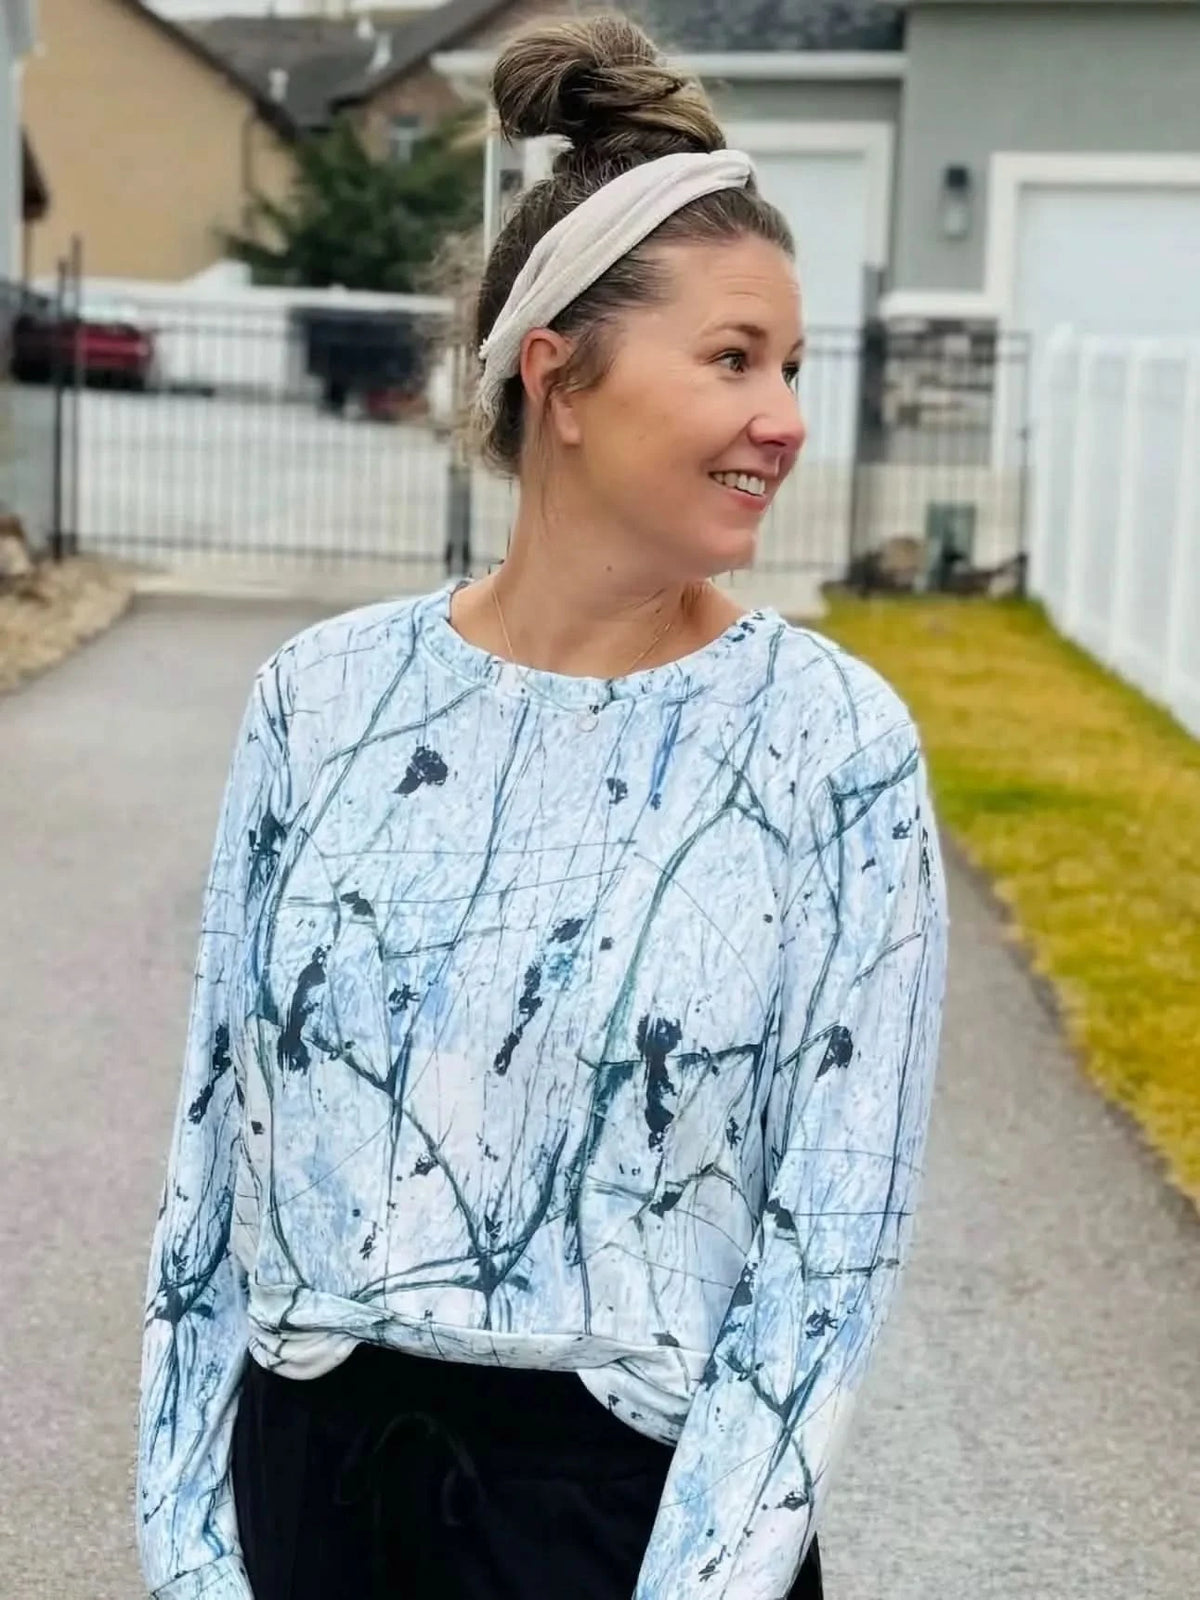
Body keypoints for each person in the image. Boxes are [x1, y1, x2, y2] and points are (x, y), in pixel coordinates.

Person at [136, 14, 948, 1600]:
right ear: (559, 378)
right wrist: (187, 1545)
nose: (786, 415)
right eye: (734, 360)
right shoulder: (322, 700)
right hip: (312, 1498)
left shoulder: (831, 744)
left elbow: (831, 1250)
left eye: (792, 366)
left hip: (637, 1533)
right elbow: (208, 1165)